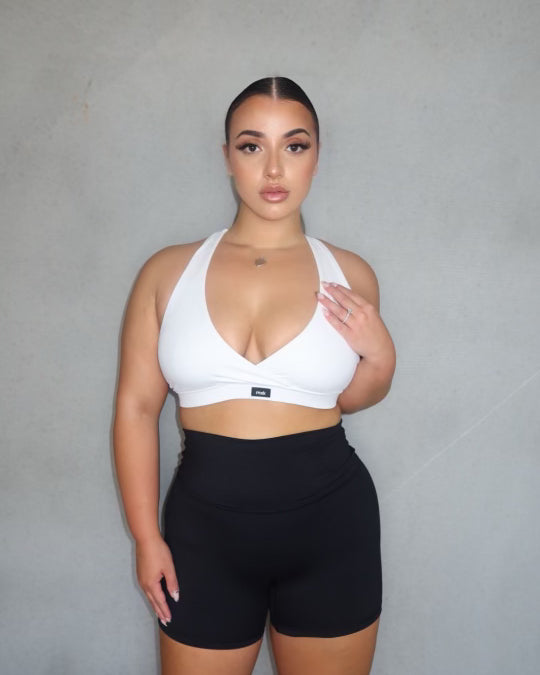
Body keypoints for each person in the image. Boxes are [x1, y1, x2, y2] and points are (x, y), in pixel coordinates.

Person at [113, 76, 396, 675]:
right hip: (204, 536)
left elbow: (345, 399)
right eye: (251, 145)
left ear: (316, 156)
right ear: (227, 157)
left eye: (294, 145)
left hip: (331, 528)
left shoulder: (350, 274)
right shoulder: (167, 272)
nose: (273, 168)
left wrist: (382, 359)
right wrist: (145, 537)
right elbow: (136, 408)